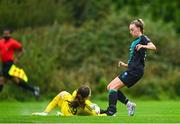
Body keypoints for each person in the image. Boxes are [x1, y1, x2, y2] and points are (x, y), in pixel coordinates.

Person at [101, 19, 156, 116]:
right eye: (130, 30)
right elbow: (136, 59)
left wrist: (143, 46)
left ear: (139, 29)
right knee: (109, 87)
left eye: (132, 29)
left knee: (113, 88)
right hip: (132, 69)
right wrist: (125, 65)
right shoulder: (135, 41)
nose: (130, 32)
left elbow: (153, 47)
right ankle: (129, 104)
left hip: (135, 71)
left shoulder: (143, 38)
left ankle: (111, 111)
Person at [0, 29, 40, 99]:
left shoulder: (13, 42)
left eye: (7, 34)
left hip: (9, 64)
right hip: (4, 64)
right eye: (5, 34)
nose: (6, 35)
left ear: (10, 35)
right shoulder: (1, 42)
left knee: (2, 80)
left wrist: (17, 58)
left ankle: (34, 90)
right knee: (16, 81)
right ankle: (34, 89)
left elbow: (22, 50)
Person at [32, 85, 106, 116]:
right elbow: (96, 114)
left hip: (65, 107)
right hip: (71, 114)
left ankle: (45, 112)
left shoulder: (75, 94)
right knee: (96, 110)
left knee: (63, 93)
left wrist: (93, 106)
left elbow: (86, 101)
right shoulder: (86, 108)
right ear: (87, 97)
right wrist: (103, 112)